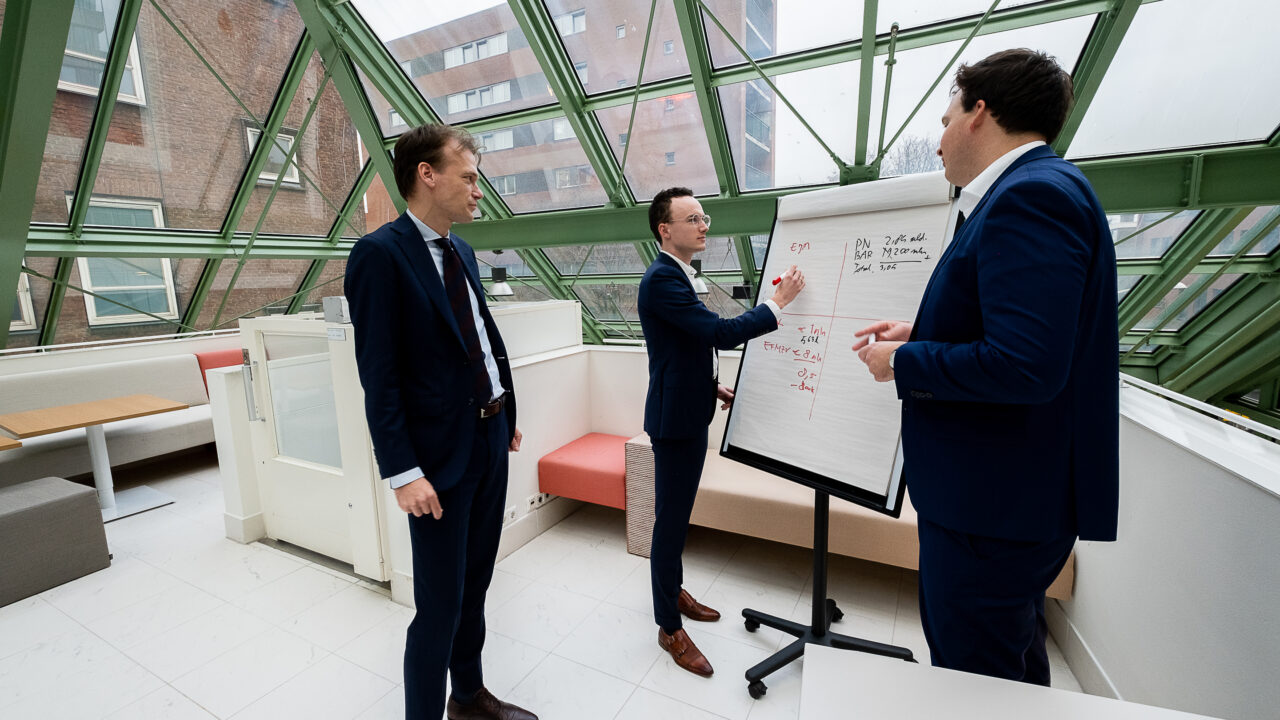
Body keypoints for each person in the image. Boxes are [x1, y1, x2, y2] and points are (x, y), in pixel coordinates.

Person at [852, 48, 1118, 686]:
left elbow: (1026, 365)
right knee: (1012, 667)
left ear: (979, 113)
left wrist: (904, 360)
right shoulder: (1043, 188)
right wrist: (923, 331)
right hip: (1009, 503)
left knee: (974, 681)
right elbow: (1020, 333)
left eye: (945, 120)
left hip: (990, 511)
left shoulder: (1030, 198)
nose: (939, 140)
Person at [345, 124, 536, 720]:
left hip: (488, 437)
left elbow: (476, 340)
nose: (479, 191)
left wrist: (502, 410)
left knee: (475, 584)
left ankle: (468, 696)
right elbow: (379, 376)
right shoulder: (380, 255)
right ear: (426, 174)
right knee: (439, 606)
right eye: (469, 178)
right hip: (436, 460)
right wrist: (403, 471)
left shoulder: (463, 251)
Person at [638, 187, 805, 677]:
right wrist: (777, 303)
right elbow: (718, 333)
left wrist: (711, 387)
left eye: (704, 216)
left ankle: (673, 591)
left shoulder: (680, 275)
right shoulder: (662, 278)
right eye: (692, 218)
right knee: (670, 523)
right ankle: (668, 625)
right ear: (665, 229)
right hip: (674, 424)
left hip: (689, 412)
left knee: (677, 517)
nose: (703, 225)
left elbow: (683, 346)